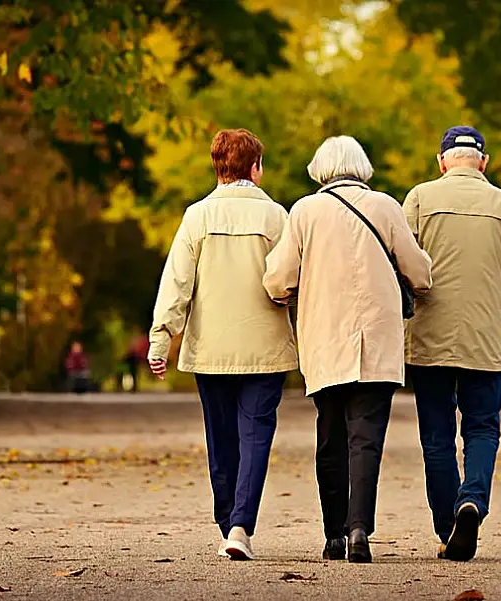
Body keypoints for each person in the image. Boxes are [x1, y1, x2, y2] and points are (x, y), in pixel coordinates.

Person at [263, 136, 433, 563]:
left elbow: (279, 277)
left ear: (319, 169)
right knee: (366, 439)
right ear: (363, 167)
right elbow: (420, 273)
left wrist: (290, 293)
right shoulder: (386, 206)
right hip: (376, 340)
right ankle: (360, 528)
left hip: (325, 340)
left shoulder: (304, 211)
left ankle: (333, 535)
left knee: (330, 436)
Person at [147, 128, 298, 561]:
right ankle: (239, 525)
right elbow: (290, 281)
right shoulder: (277, 217)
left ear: (217, 167)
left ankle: (226, 517)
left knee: (221, 439)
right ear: (255, 167)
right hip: (265, 347)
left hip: (210, 348)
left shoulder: (196, 216)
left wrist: (162, 340)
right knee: (255, 437)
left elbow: (176, 283)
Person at [402, 126, 501, 561]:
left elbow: (399, 267)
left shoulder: (419, 200)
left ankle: (449, 526)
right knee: (482, 428)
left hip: (428, 343)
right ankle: (473, 501)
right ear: (484, 162)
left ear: (442, 160)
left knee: (437, 437)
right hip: (486, 344)